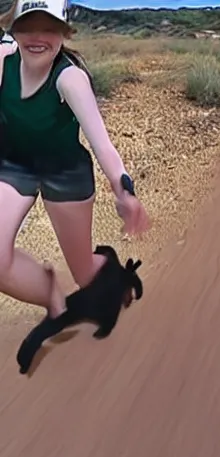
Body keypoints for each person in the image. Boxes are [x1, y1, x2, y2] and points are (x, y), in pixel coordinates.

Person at [0, 0, 150, 322]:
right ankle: (51, 294)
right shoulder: (3, 62)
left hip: (65, 174)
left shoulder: (70, 79)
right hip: (16, 166)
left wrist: (125, 191)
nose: (37, 36)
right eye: (28, 25)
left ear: (64, 32)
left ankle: (112, 272)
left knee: (84, 274)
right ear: (13, 29)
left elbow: (103, 145)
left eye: (49, 27)